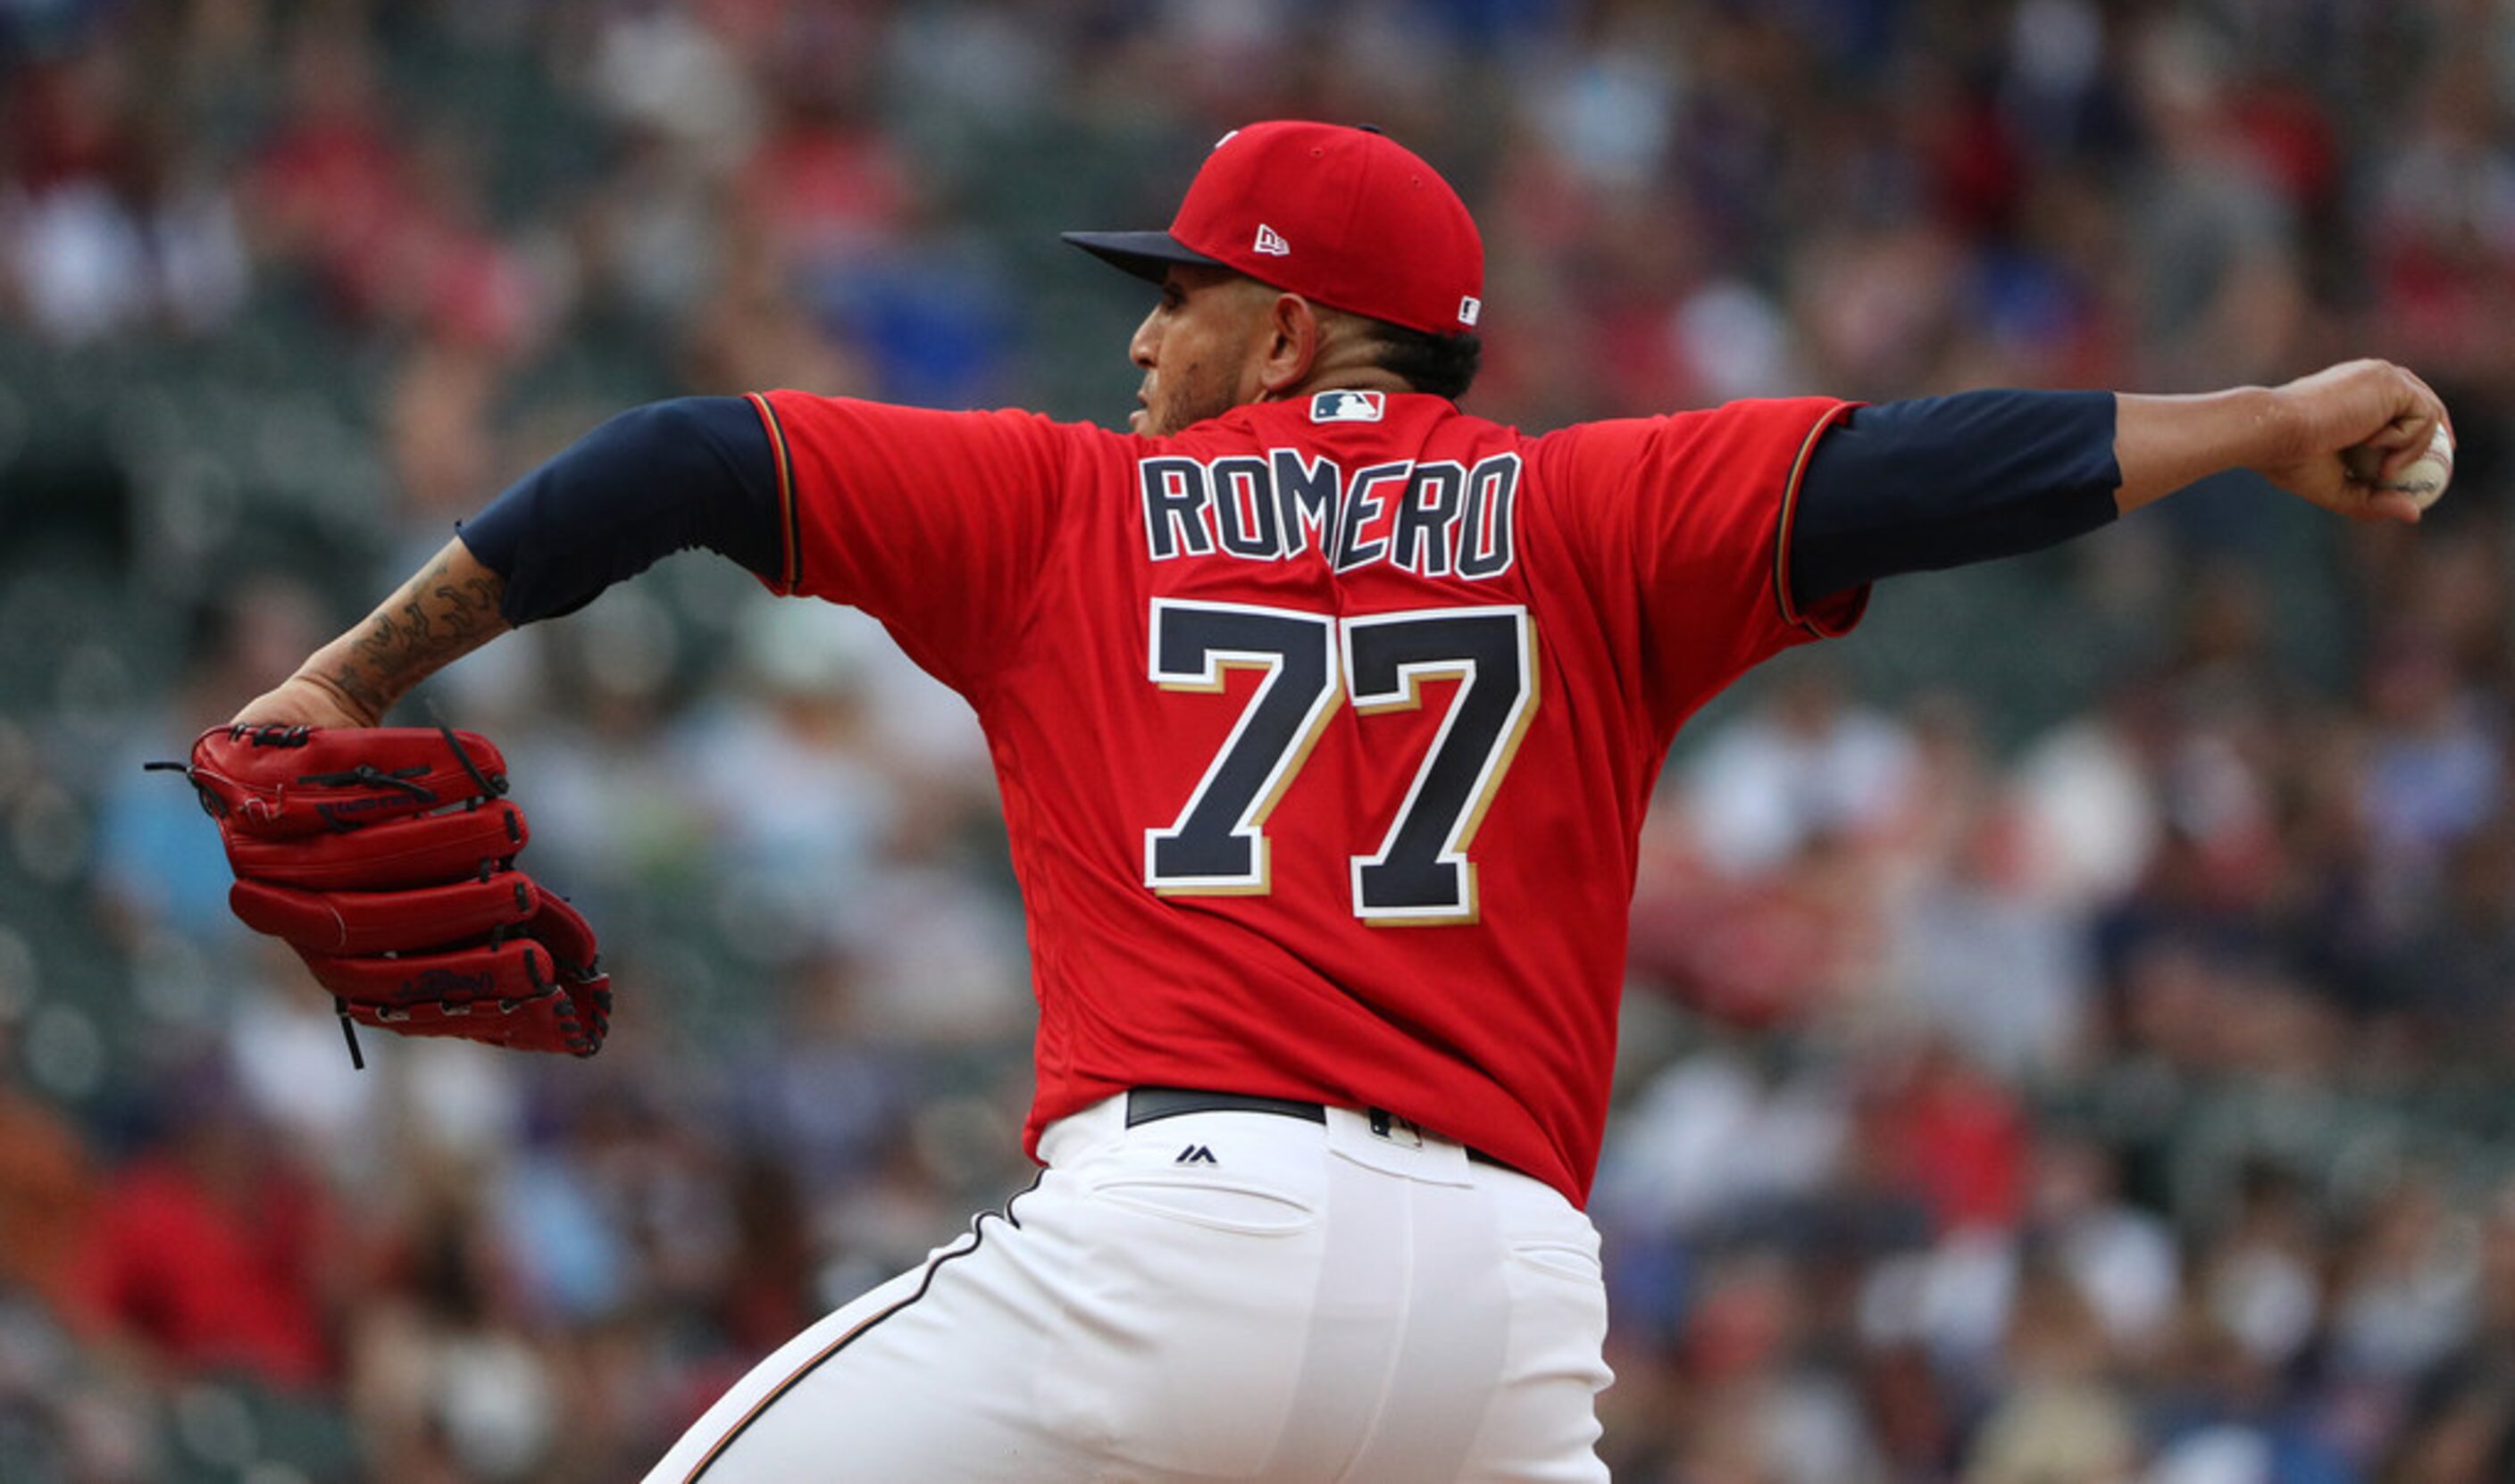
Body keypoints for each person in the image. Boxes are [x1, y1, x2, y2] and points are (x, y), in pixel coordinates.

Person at [225, 121, 2451, 1480]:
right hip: (1497, 1331)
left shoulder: (1062, 512)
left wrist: (347, 674)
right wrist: (2262, 416)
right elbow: (1925, 468)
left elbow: (685, 457)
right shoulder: (1596, 515)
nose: (1136, 342)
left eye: (1177, 297)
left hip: (1173, 1250)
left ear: (1288, 337)